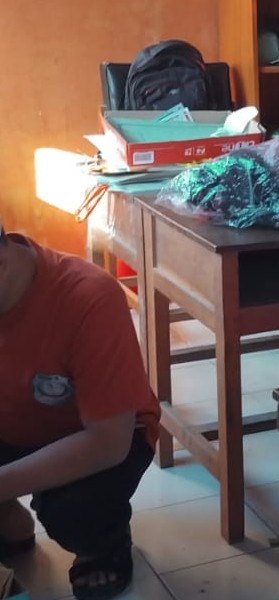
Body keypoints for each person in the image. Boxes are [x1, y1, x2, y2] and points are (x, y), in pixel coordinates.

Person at [0, 221, 160, 600]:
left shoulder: (87, 296)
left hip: (98, 437)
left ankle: (103, 545)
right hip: (12, 423)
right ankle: (8, 518)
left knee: (75, 513)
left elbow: (108, 442)